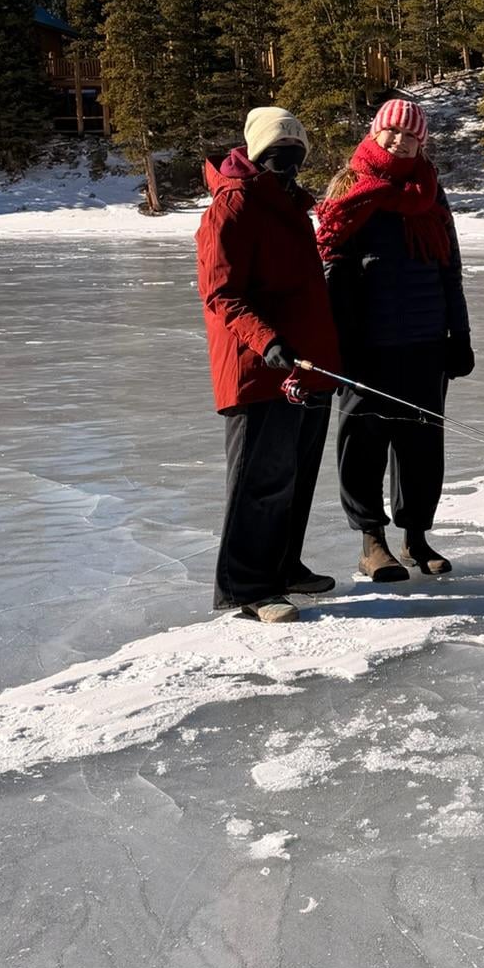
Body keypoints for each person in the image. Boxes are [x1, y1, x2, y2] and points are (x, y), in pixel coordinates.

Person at [316, 96, 474, 582]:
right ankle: (372, 543)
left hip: (426, 340)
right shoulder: (350, 183)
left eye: (411, 136)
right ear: (375, 131)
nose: (401, 141)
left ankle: (416, 537)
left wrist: (460, 334)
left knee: (421, 445)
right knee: (362, 445)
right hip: (368, 344)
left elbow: (449, 266)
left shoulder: (430, 190)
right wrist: (339, 342)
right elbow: (330, 265)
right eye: (393, 132)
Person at [196, 106, 341, 624]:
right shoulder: (233, 205)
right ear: (257, 153)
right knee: (260, 479)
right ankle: (250, 587)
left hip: (306, 366)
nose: (289, 164)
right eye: (279, 153)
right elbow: (221, 292)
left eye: (296, 154)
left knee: (295, 474)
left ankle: (283, 566)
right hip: (258, 366)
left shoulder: (291, 206)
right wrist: (266, 340)